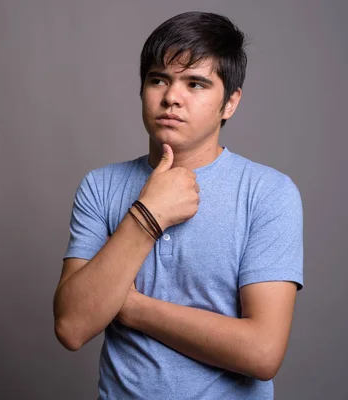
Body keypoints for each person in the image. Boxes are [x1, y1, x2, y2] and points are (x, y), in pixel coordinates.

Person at [52, 11, 303, 399]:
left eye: (196, 84)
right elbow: (72, 326)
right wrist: (147, 216)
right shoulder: (101, 186)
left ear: (230, 103)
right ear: (141, 90)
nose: (172, 97)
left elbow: (263, 352)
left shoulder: (268, 192)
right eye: (158, 80)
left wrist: (128, 305)